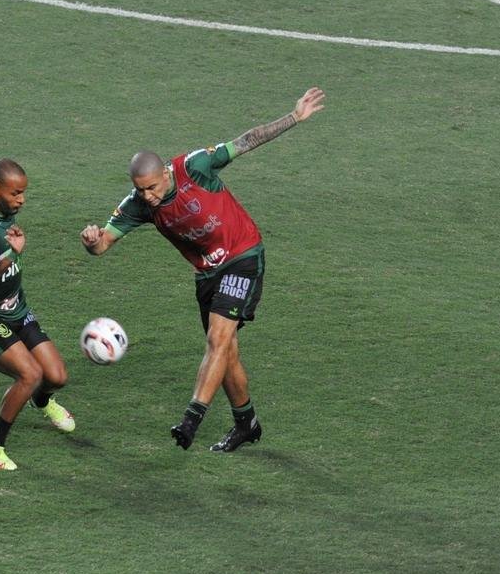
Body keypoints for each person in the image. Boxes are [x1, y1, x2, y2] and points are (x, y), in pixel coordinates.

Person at [80, 88, 326, 453]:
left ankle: (192, 419)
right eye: (139, 190)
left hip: (243, 254)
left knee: (217, 340)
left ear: (164, 173)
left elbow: (246, 141)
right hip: (208, 272)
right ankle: (247, 424)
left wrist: (294, 117)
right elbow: (102, 245)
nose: (147, 195)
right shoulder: (139, 205)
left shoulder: (194, 166)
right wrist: (90, 241)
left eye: (150, 187)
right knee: (225, 352)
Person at [0, 158, 75, 471]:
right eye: (16, 193)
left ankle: (41, 400)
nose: (21, 200)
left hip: (15, 309)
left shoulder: (3, 212)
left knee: (56, 377)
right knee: (30, 374)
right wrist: (12, 254)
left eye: (23, 193)